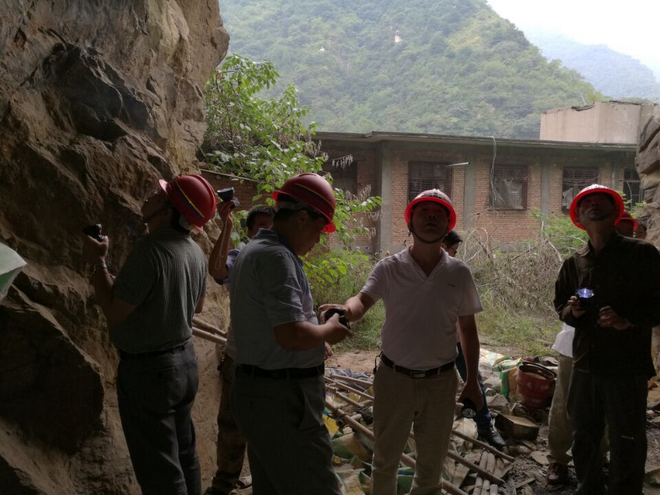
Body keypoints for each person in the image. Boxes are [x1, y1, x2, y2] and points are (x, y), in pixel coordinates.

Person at [322, 189, 484, 495]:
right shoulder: (389, 268)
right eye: (424, 212)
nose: (431, 217)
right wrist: (345, 310)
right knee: (385, 462)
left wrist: (472, 380)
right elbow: (362, 300)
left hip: (440, 383)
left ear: (448, 224)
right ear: (410, 222)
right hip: (394, 380)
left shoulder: (459, 273)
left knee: (431, 469)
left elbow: (468, 329)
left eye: (438, 213)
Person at [82, 174, 217, 495]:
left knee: (160, 471)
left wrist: (98, 263)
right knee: (185, 455)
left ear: (167, 212)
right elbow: (197, 306)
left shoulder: (151, 251)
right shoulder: (194, 252)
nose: (150, 196)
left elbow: (114, 310)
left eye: (159, 195)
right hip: (185, 364)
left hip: (149, 373)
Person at [229, 173, 351, 495]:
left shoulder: (254, 249)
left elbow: (278, 322)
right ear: (302, 218)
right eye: (320, 229)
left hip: (261, 393)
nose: (319, 240)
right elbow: (291, 336)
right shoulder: (277, 258)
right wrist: (329, 330)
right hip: (282, 401)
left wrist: (315, 321)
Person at [555, 184, 660, 495]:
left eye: (602, 202)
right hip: (585, 363)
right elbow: (560, 304)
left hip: (626, 365)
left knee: (627, 436)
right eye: (587, 203)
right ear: (578, 217)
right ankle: (588, 488)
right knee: (584, 435)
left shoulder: (641, 254)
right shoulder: (574, 262)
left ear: (616, 213)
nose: (595, 206)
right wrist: (573, 311)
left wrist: (626, 320)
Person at [205, 204, 274, 495]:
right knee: (231, 425)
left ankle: (266, 484)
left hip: (273, 362)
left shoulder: (283, 260)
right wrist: (227, 225)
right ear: (249, 232)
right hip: (239, 358)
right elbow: (217, 269)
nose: (267, 233)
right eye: (261, 227)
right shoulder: (240, 257)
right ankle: (224, 482)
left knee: (267, 428)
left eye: (272, 227)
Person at [440, 230, 505, 450]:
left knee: (473, 381)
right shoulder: (416, 273)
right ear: (442, 246)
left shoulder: (457, 273)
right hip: (432, 345)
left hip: (458, 341)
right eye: (453, 250)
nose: (454, 255)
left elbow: (468, 324)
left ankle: (485, 426)